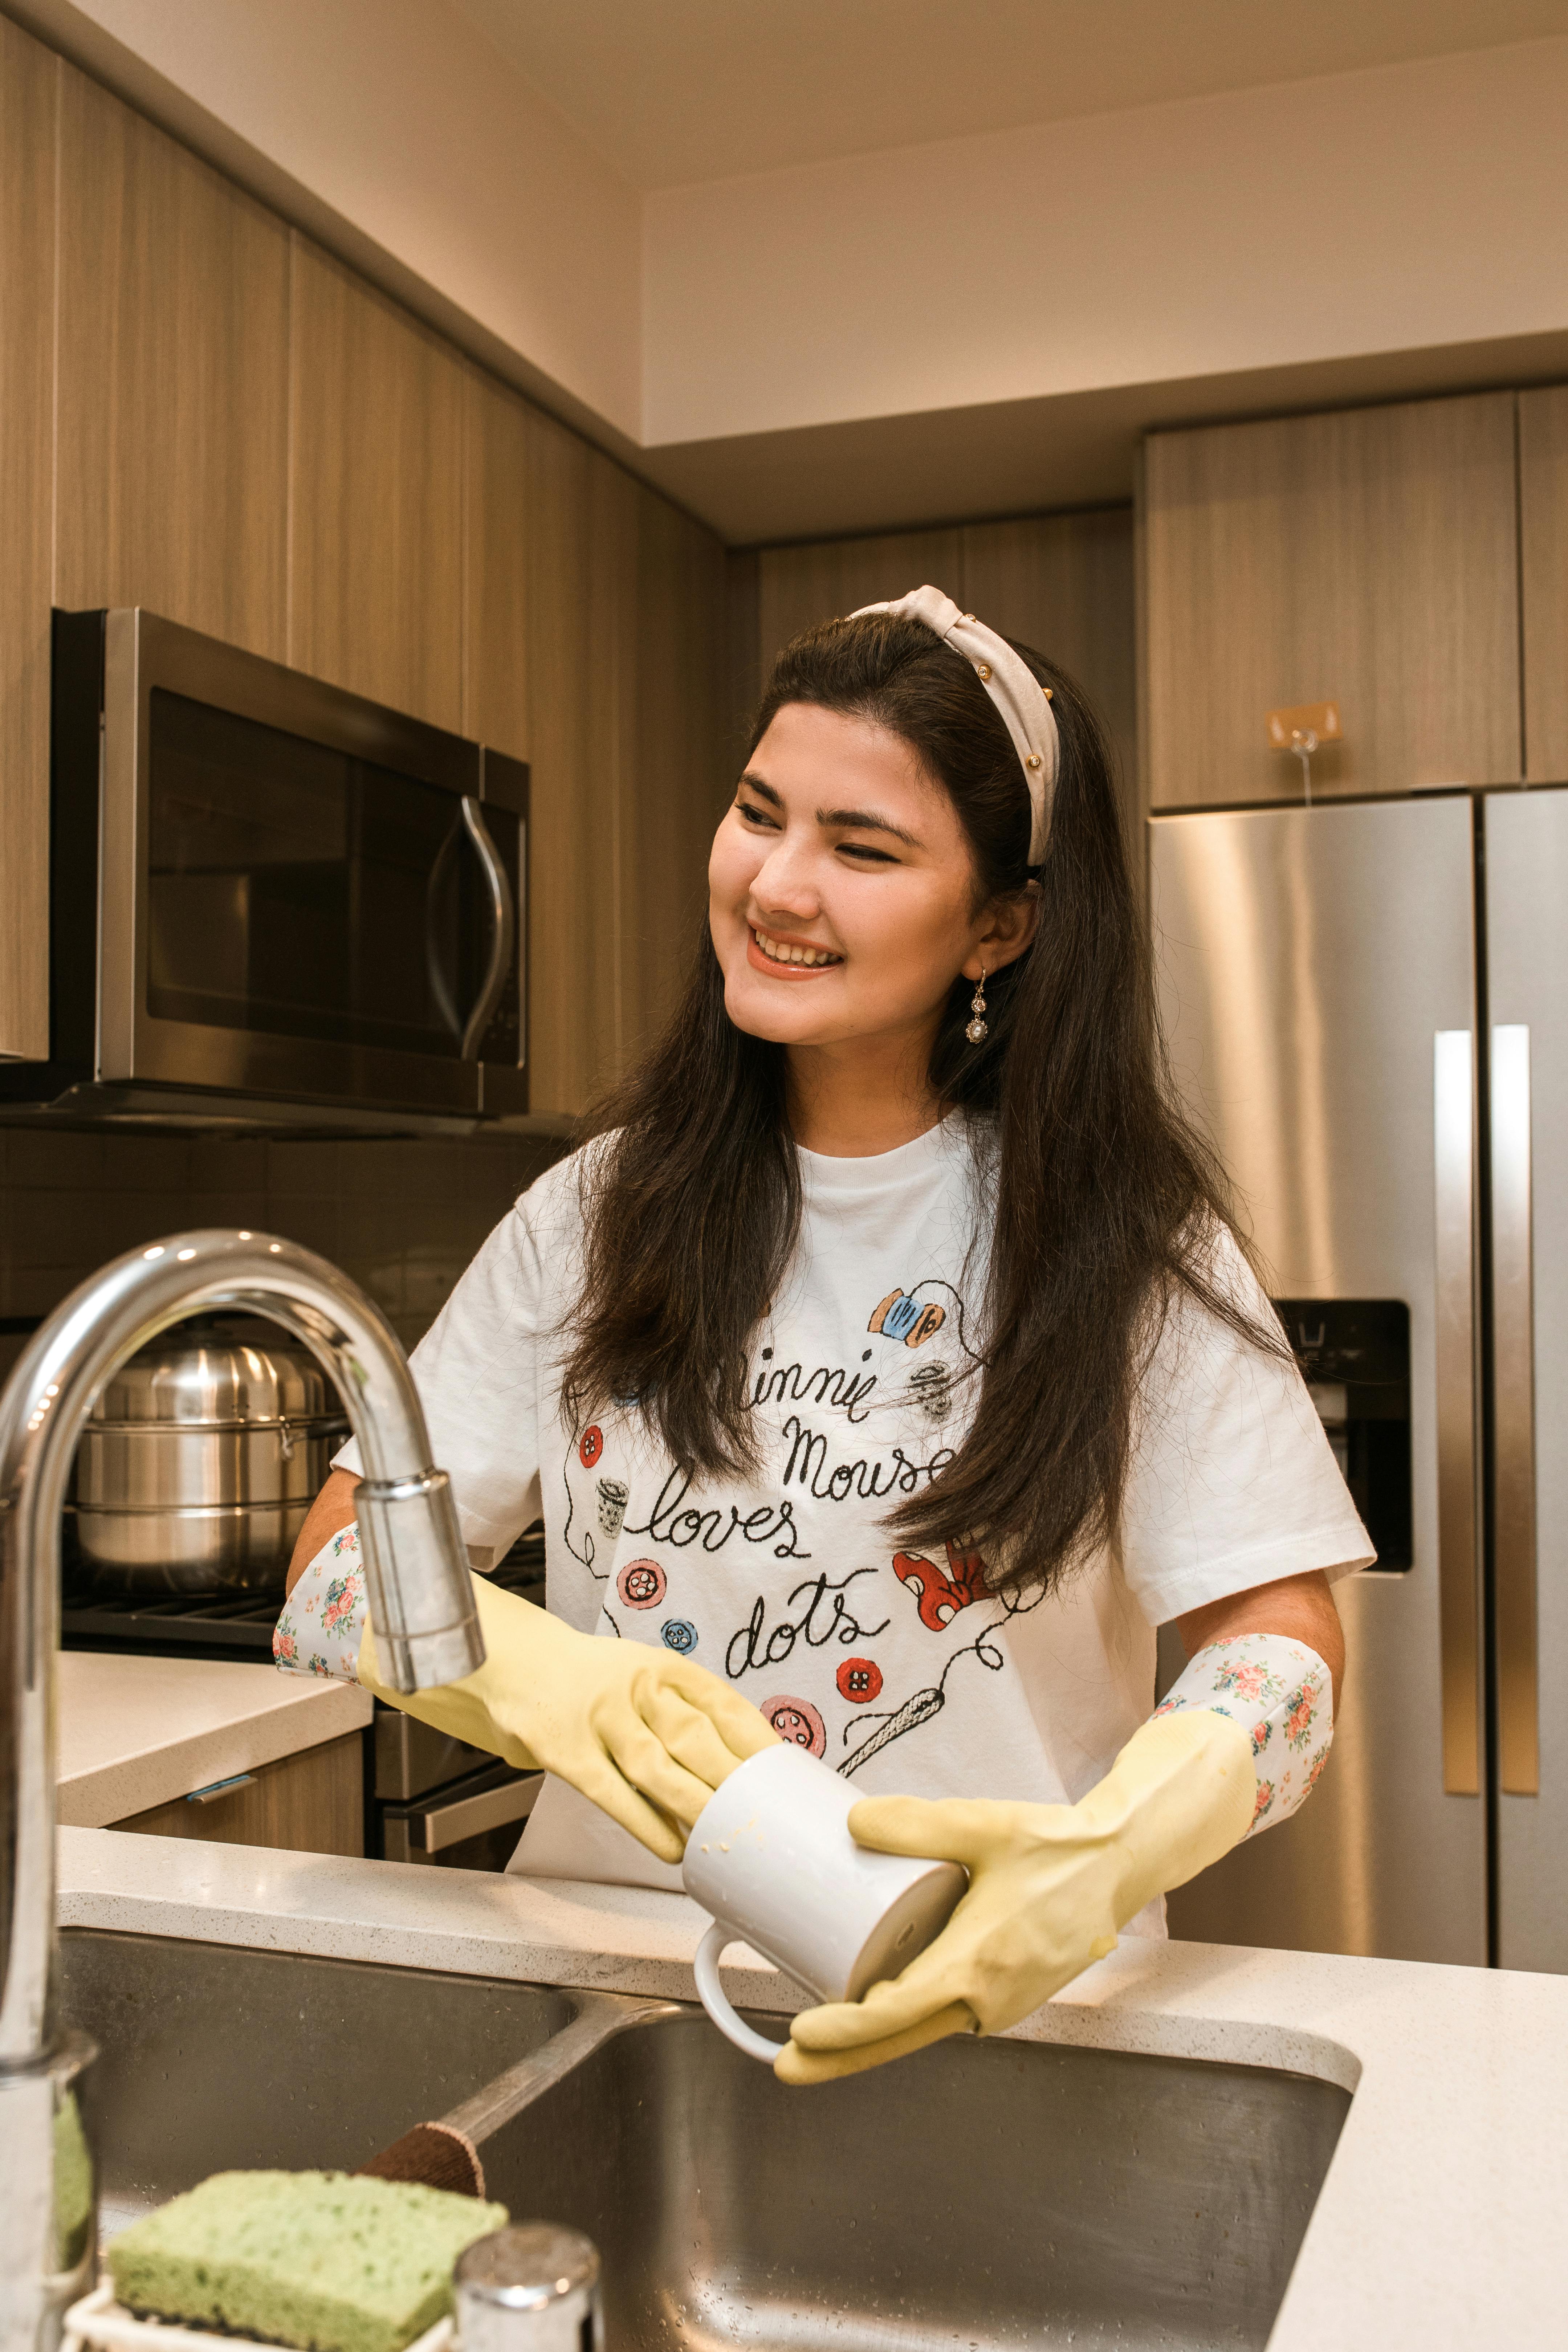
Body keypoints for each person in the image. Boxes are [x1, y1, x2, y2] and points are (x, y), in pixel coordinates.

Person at [278, 586, 1368, 2084]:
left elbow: (1286, 1651)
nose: (779, 886)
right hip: (613, 1996)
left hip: (1014, 2011)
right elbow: (336, 1563)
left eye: (862, 848)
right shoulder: (594, 1212)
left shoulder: (1127, 1246)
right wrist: (535, 1677)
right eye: (756, 813)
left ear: (1003, 922)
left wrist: (1117, 1844)